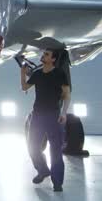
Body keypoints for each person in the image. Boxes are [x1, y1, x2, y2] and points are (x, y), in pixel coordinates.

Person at [20, 49, 71, 192]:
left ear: (53, 59)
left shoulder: (60, 74)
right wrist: (22, 74)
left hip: (53, 116)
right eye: (43, 54)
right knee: (32, 147)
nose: (43, 56)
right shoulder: (37, 74)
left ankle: (57, 182)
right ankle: (42, 170)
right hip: (37, 115)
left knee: (55, 150)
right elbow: (24, 87)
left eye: (47, 54)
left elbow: (67, 95)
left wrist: (64, 112)